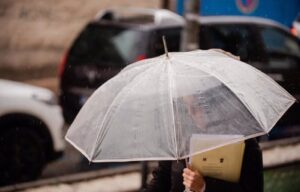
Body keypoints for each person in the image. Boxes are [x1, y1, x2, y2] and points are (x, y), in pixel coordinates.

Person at [143, 88, 264, 192]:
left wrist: (204, 187)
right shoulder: (179, 137)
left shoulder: (244, 142)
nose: (190, 113)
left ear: (212, 106)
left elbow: (253, 189)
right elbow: (161, 181)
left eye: (196, 106)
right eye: (187, 106)